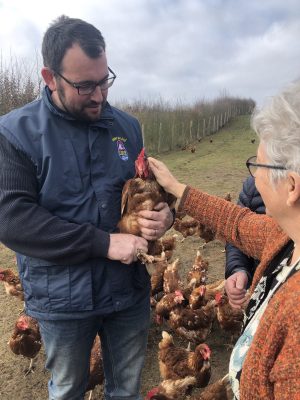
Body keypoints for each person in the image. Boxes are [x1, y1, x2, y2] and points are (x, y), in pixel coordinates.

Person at [0, 16, 174, 400]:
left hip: (128, 293)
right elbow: (13, 220)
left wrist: (164, 216)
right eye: (84, 85)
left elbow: (149, 190)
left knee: (126, 390)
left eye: (104, 80)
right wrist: (104, 243)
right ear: (50, 77)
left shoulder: (127, 127)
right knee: (67, 391)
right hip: (63, 300)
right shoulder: (15, 133)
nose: (98, 95)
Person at [148, 80, 300, 399]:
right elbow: (237, 221)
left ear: (292, 186)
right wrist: (178, 189)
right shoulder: (286, 237)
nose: (253, 176)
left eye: (258, 164)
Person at [225, 176, 265, 308]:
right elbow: (237, 233)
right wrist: (238, 269)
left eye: (261, 164)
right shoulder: (253, 186)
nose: (256, 174)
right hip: (256, 288)